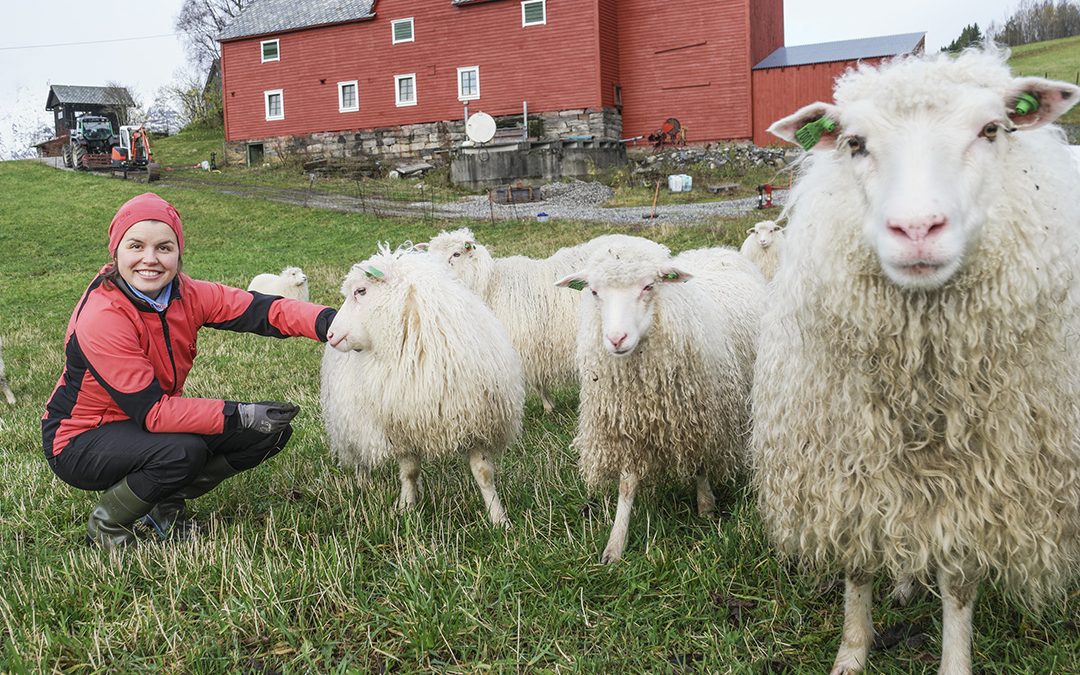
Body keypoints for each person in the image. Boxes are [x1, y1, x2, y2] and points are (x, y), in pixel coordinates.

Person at [42, 193, 336, 550]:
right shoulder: (102, 316)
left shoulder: (187, 293)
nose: (149, 259)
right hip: (80, 439)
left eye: (164, 248)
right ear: (115, 251)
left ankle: (160, 504)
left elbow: (262, 310)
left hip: (146, 422)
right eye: (136, 246)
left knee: (269, 433)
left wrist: (333, 322)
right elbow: (153, 412)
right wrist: (239, 414)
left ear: (179, 254)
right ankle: (108, 527)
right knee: (182, 451)